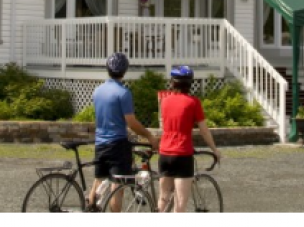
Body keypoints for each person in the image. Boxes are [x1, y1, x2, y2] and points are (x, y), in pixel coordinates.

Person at [89, 52, 158, 212]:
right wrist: (149, 136)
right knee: (116, 187)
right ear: (125, 71)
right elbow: (131, 123)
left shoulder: (97, 91)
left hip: (100, 143)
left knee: (98, 180)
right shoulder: (123, 93)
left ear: (108, 69)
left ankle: (90, 209)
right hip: (117, 144)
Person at [157, 65, 221, 213]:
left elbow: (163, 125)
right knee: (180, 204)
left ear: (173, 82)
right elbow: (204, 130)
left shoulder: (164, 101)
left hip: (165, 153)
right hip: (182, 154)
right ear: (190, 84)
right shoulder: (193, 102)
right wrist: (215, 150)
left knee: (163, 198)